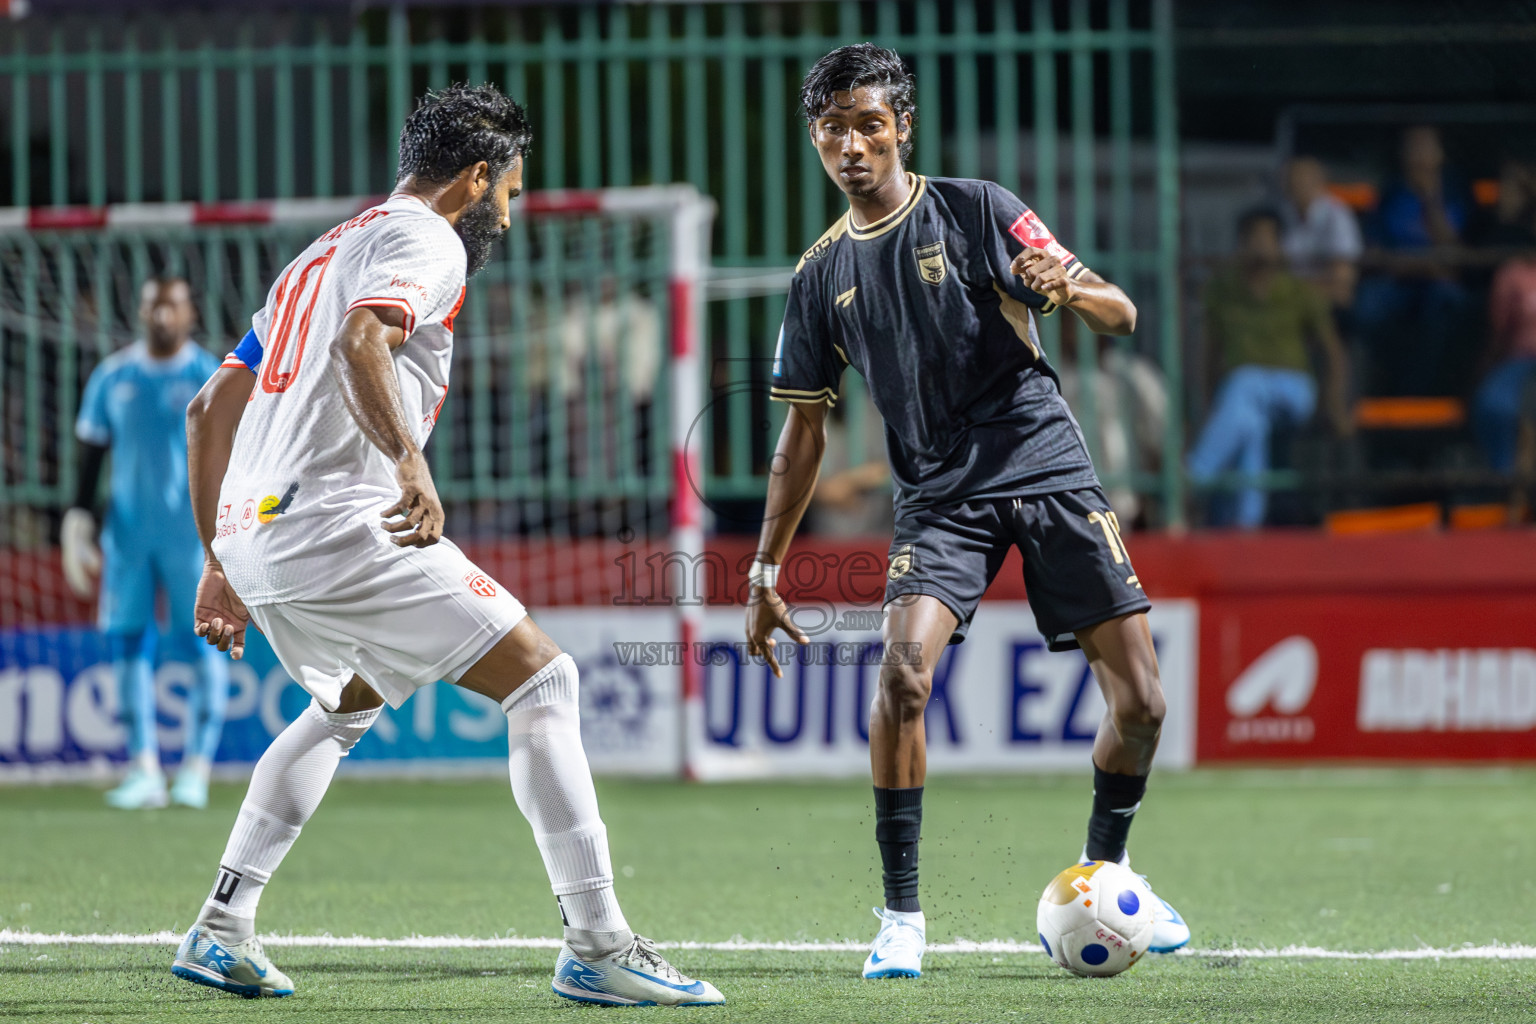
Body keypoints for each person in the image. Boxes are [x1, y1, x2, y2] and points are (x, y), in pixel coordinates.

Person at [170, 84, 721, 1008]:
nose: (511, 206)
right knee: (545, 679)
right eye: (511, 188)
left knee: (348, 705)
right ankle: (598, 942)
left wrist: (219, 559)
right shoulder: (430, 241)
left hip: (258, 536)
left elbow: (207, 410)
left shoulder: (318, 253)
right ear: (477, 178)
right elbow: (362, 342)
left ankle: (220, 928)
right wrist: (410, 466)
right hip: (341, 522)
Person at [743, 44, 1189, 981]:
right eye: (833, 130)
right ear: (816, 141)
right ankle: (901, 916)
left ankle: (1108, 869)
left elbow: (1123, 313)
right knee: (901, 681)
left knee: (1143, 704)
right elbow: (802, 441)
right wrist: (763, 569)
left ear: (902, 126)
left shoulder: (976, 207)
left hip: (1047, 465)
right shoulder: (818, 277)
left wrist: (1070, 288)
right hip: (939, 500)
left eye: (869, 124)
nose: (852, 146)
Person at [62, 277, 228, 810]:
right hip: (129, 538)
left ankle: (197, 769)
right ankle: (144, 770)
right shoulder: (113, 377)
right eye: (153, 305)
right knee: (128, 643)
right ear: (140, 310)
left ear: (189, 313)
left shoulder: (211, 376)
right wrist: (77, 522)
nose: (161, 316)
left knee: (205, 643)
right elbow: (90, 459)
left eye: (172, 306)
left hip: (194, 540)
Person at [1187, 209, 1352, 529]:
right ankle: (1247, 526)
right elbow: (1209, 356)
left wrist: (1333, 401)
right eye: (1252, 238)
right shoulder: (1222, 291)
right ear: (1240, 244)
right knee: (1251, 423)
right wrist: (1209, 406)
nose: (1259, 246)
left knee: (1244, 384)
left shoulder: (1299, 290)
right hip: (1240, 395)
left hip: (1295, 390)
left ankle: (1194, 478)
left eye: (1267, 238)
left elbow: (1333, 351)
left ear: (1280, 245)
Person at [1472, 253, 1536, 472]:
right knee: (1494, 406)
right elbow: (1498, 332)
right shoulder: (1513, 273)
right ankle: (1504, 483)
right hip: (1518, 363)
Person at [1279, 156, 1362, 310]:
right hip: (1287, 296)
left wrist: (1293, 288)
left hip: (1324, 300)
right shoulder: (1283, 215)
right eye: (1292, 179)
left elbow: (1342, 281)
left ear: (1319, 182)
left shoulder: (1338, 216)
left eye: (1303, 179)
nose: (1296, 184)